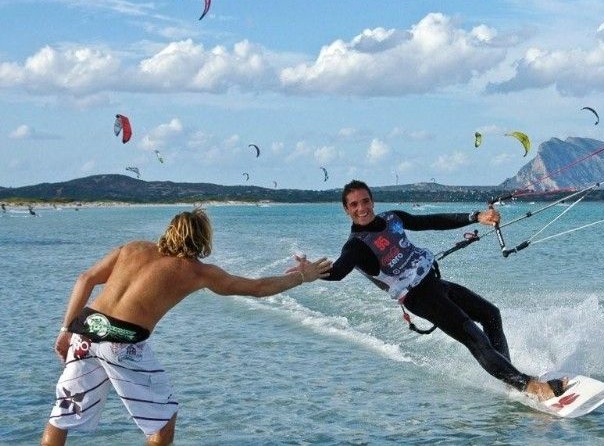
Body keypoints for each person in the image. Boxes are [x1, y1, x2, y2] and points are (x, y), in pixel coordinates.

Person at [41, 208, 330, 446]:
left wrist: (65, 329)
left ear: (170, 230)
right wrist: (301, 278)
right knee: (163, 424)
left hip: (85, 331)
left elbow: (84, 278)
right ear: (203, 239)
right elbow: (256, 288)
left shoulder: (132, 248)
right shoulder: (196, 271)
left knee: (63, 414)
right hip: (122, 343)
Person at [320, 180, 567, 402]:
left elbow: (431, 221)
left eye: (365, 201)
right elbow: (339, 271)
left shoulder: (392, 218)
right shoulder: (355, 246)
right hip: (418, 297)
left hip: (434, 284)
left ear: (372, 200)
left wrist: (476, 216)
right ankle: (532, 387)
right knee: (474, 337)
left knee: (491, 314)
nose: (362, 208)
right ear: (346, 210)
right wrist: (308, 274)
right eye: (354, 205)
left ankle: (512, 379)